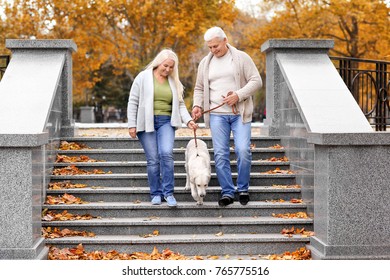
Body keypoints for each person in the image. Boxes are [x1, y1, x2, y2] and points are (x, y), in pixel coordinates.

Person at [192, 27, 262, 207]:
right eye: (210, 47)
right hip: (216, 115)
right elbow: (199, 88)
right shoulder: (205, 63)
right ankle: (227, 191)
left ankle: (243, 188)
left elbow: (256, 81)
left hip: (239, 113)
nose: (213, 50)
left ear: (225, 40)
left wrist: (238, 95)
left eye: (216, 46)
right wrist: (197, 105)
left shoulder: (241, 58)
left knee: (243, 150)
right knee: (221, 154)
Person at [127, 49, 198, 207]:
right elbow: (133, 101)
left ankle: (168, 193)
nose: (168, 69)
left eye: (171, 67)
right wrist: (132, 124)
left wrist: (188, 121)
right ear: (158, 62)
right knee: (153, 160)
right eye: (165, 66)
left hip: (166, 121)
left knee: (166, 154)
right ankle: (156, 193)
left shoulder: (173, 81)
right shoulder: (143, 77)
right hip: (146, 122)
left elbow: (180, 105)